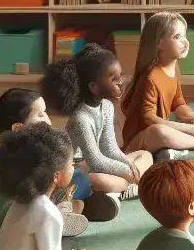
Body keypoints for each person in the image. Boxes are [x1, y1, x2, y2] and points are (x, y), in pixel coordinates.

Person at [40, 46, 148, 224]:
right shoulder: (80, 117)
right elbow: (95, 161)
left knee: (144, 155)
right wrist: (130, 172)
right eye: (114, 79)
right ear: (94, 87)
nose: (121, 82)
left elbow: (110, 149)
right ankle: (126, 188)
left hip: (96, 164)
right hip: (76, 171)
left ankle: (122, 189)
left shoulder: (106, 106)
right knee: (97, 179)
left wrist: (128, 162)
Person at [0, 87, 88, 247]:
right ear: (18, 128)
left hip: (0, 228)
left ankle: (66, 210)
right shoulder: (24, 157)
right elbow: (43, 190)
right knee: (75, 183)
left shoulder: (8, 151)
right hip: (8, 232)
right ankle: (59, 217)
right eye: (40, 115)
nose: (48, 119)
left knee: (78, 180)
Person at [120, 11, 194, 158]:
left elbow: (178, 102)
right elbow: (148, 119)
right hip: (141, 140)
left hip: (166, 128)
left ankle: (172, 149)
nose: (185, 42)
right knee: (159, 132)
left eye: (185, 35)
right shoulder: (150, 77)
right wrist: (187, 128)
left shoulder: (173, 68)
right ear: (159, 43)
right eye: (177, 37)